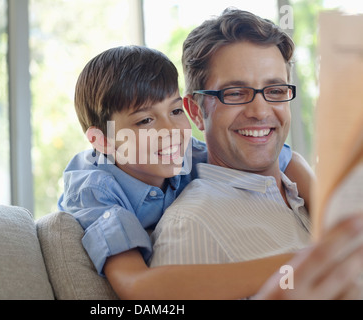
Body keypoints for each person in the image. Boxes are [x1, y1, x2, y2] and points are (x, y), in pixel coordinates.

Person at [58, 44, 313, 299]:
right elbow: (137, 286)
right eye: (145, 120)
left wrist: (332, 216)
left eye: (176, 110)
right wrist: (294, 266)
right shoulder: (95, 190)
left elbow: (285, 158)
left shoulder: (187, 153)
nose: (171, 130)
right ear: (102, 141)